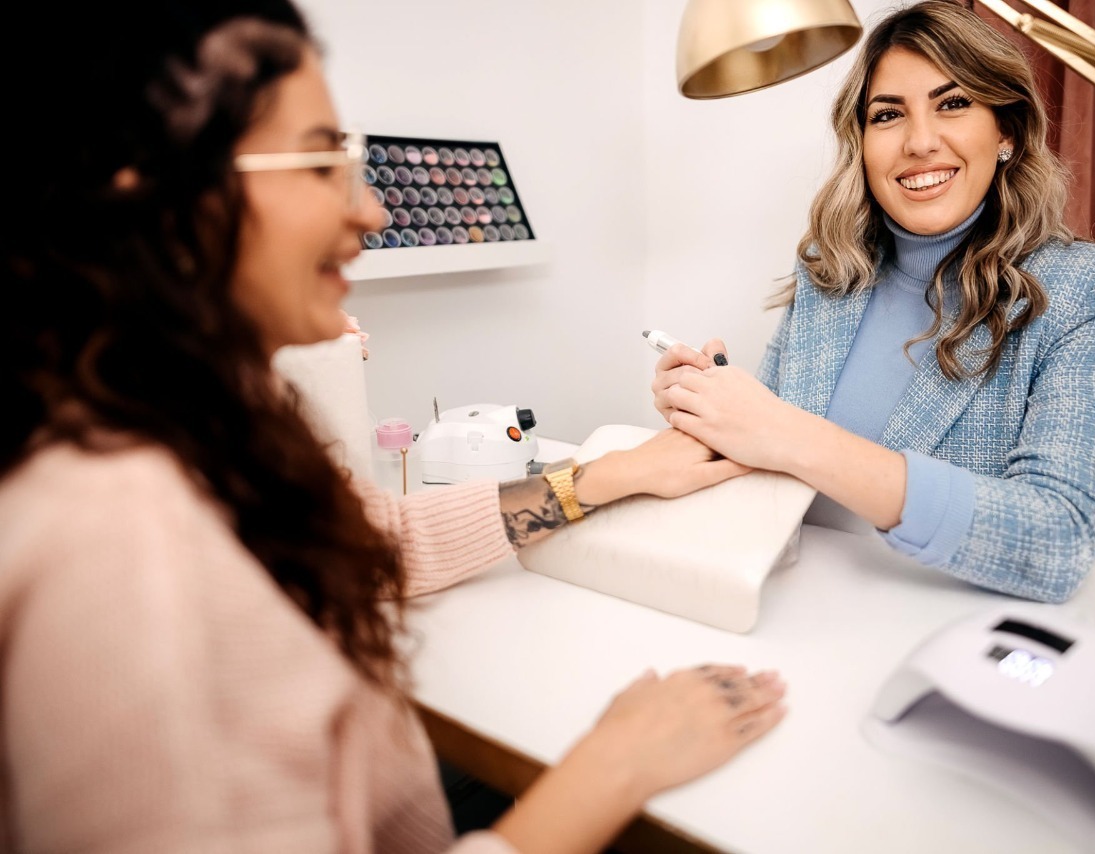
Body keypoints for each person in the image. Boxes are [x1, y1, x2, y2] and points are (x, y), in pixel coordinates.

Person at [0, 2, 786, 851]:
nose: (371, 212)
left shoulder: (204, 412)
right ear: (154, 195)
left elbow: (382, 538)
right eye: (318, 166)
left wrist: (608, 476)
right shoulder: (119, 547)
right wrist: (615, 765)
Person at [652, 0, 1095, 604]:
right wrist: (715, 411)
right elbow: (767, 462)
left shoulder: (1090, 291)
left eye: (953, 103)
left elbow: (1058, 539)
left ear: (1008, 132)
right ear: (861, 142)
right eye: (888, 115)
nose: (919, 142)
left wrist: (791, 435)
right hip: (785, 606)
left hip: (941, 639)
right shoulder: (829, 274)